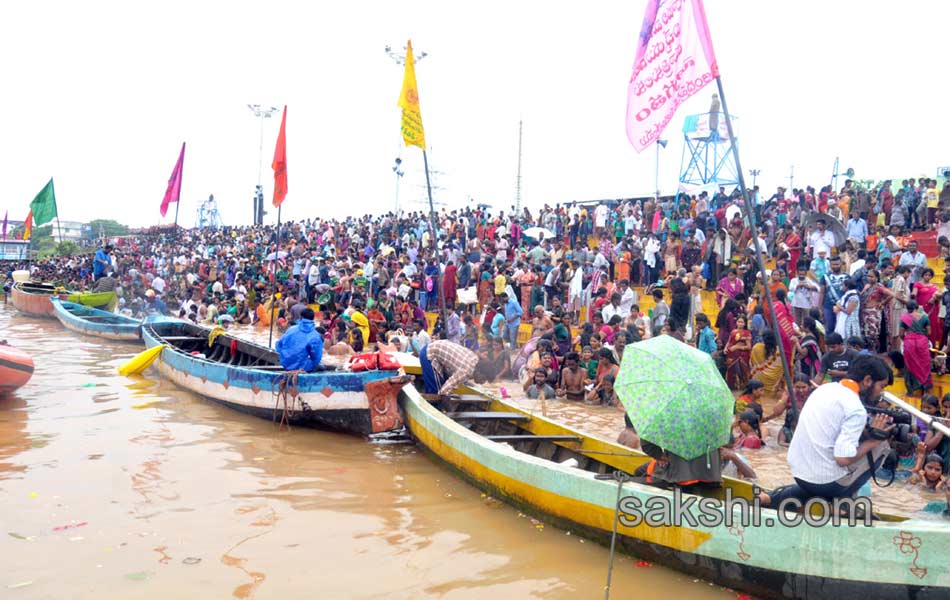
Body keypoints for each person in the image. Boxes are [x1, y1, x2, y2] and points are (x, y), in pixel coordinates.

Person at [763, 355, 895, 506]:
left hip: (799, 474)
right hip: (826, 485)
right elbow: (843, 459)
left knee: (820, 480)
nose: (880, 393)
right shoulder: (856, 408)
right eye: (881, 387)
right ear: (867, 381)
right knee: (882, 445)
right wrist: (873, 440)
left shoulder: (824, 389)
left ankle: (771, 498)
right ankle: (844, 504)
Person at [275, 307, 324, 372]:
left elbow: (278, 345)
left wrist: (285, 355)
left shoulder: (291, 329)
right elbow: (317, 357)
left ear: (301, 317)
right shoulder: (315, 335)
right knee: (321, 366)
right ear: (313, 319)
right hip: (303, 368)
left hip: (286, 364)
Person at [901, 301, 933, 395]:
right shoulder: (925, 317)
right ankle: (925, 390)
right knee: (925, 365)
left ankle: (910, 391)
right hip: (922, 343)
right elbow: (929, 332)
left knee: (909, 365)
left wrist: (907, 339)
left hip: (909, 342)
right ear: (917, 307)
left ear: (907, 308)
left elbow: (901, 334)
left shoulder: (904, 318)